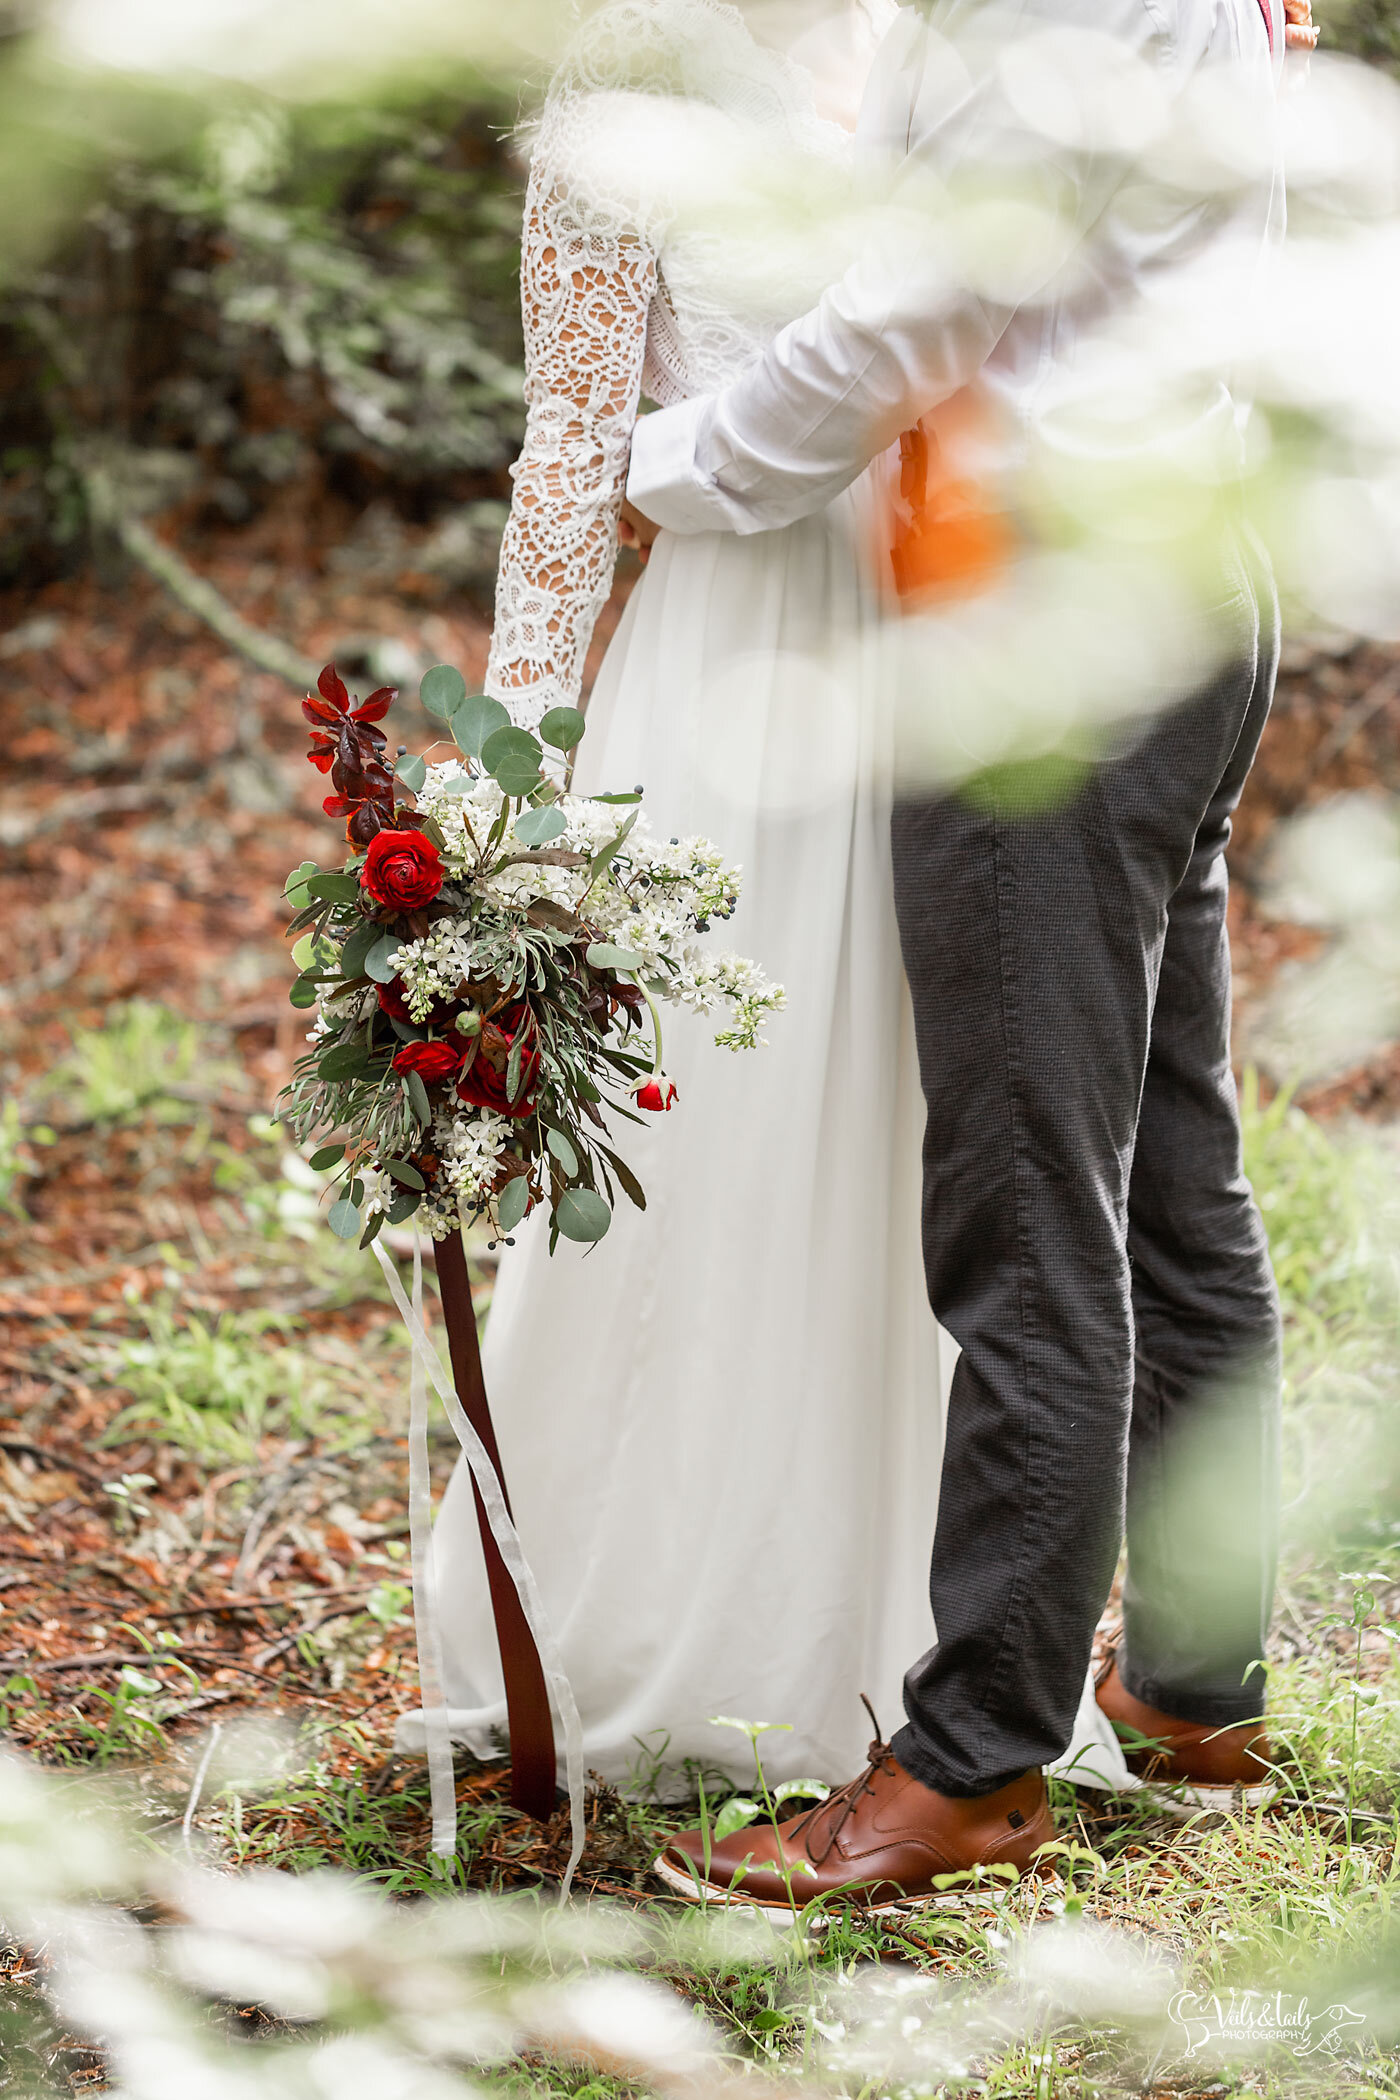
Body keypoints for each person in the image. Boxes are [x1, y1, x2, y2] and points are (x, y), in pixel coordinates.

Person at [623, 0, 1310, 1906]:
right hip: (1179, 574)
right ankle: (1195, 1684)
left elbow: (924, 307)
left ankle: (976, 1758)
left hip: (1041, 620)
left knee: (1023, 1213)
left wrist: (678, 466)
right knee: (1170, 1174)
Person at [420, 0, 1129, 1802]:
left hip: (938, 631)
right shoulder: (625, 75)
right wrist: (513, 789)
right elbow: (570, 463)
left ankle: (930, 1653)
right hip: (728, 683)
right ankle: (672, 1622)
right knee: (716, 1140)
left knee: (940, 1153)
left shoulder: (934, 40)